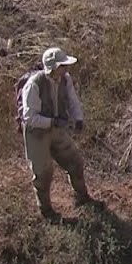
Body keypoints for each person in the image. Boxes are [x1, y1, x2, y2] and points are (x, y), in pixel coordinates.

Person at [19, 46, 96, 220]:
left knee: (75, 163)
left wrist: (78, 119)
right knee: (43, 174)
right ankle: (46, 211)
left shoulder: (65, 79)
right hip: (36, 134)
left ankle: (82, 198)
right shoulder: (34, 85)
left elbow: (73, 101)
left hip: (56, 129)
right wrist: (52, 122)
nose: (66, 68)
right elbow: (29, 117)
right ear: (52, 67)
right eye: (62, 66)